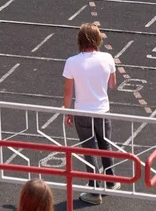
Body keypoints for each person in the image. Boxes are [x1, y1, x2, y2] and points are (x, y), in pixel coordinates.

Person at [63, 23, 120, 206]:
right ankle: (110, 181)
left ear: (80, 40)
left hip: (82, 112)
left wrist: (66, 112)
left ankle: (94, 190)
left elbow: (68, 91)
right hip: (103, 110)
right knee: (105, 145)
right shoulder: (108, 58)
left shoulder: (72, 62)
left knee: (89, 150)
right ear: (97, 40)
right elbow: (112, 84)